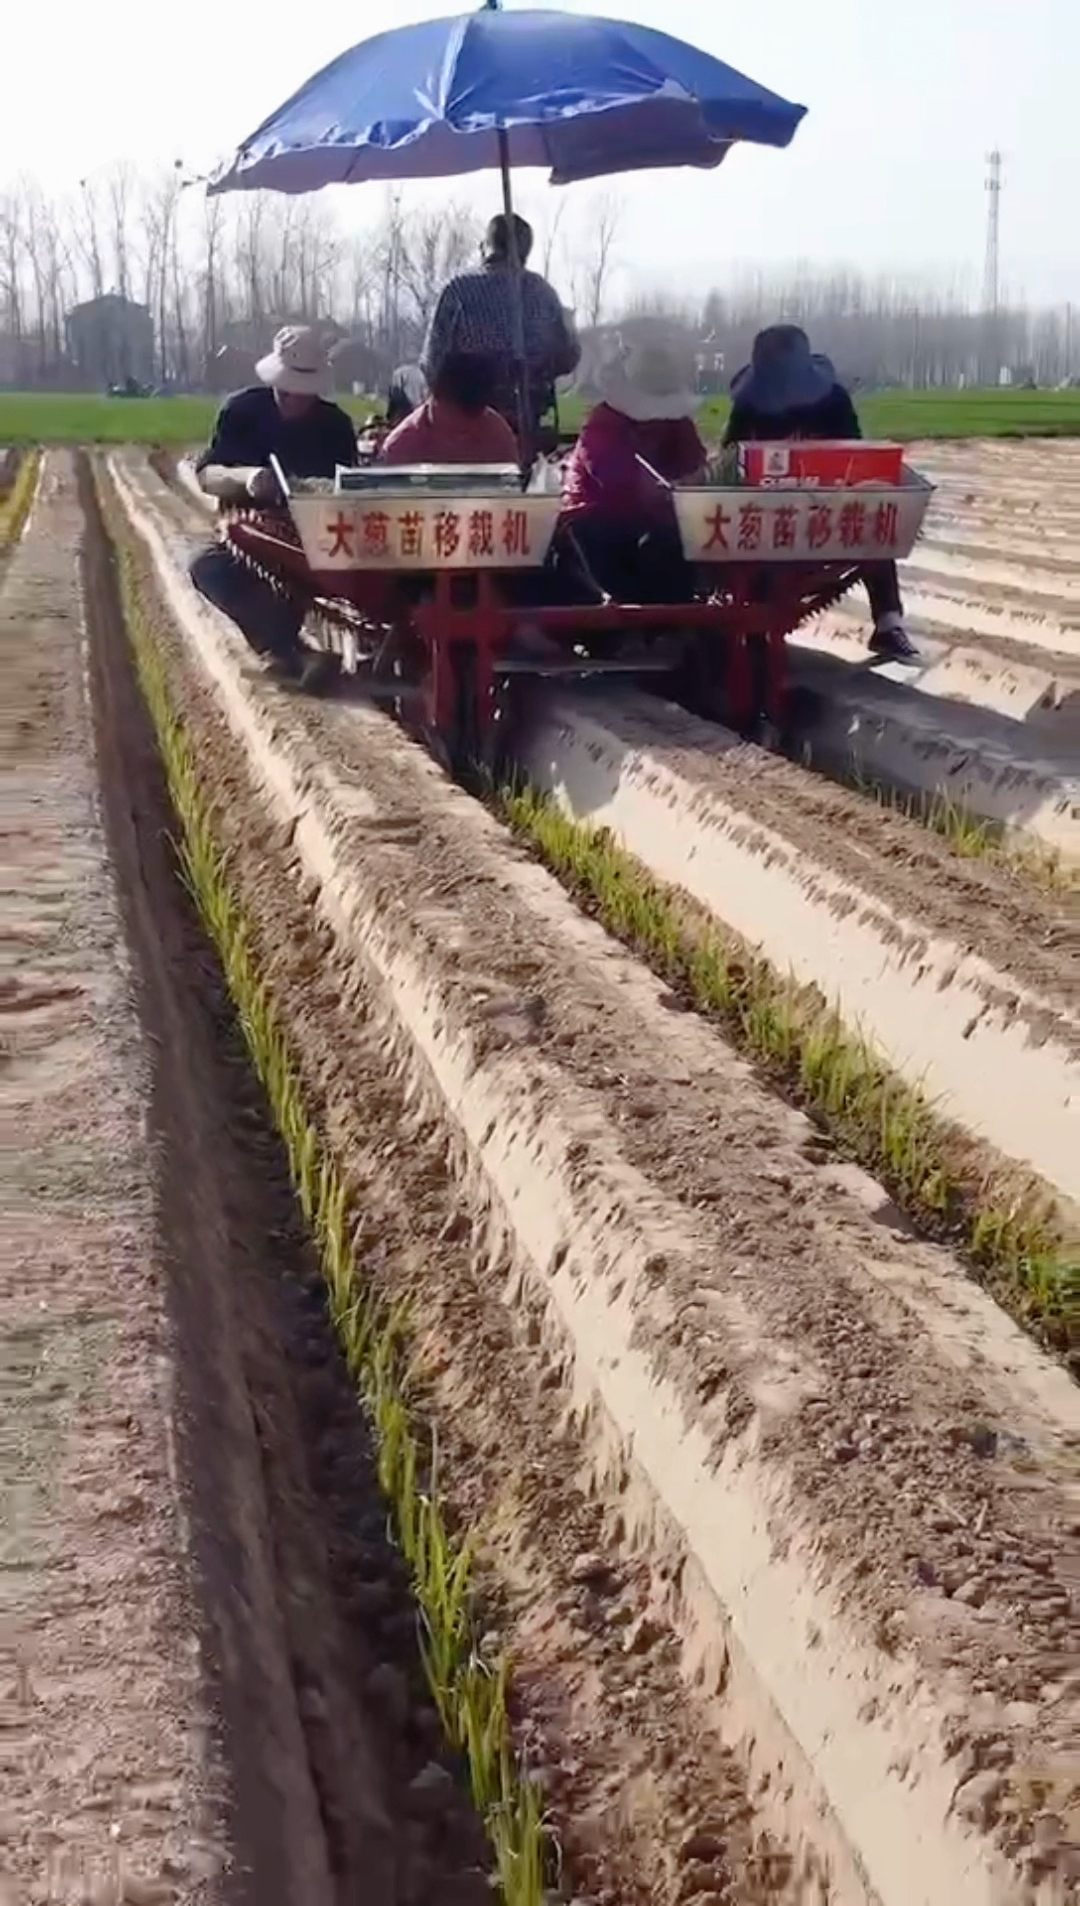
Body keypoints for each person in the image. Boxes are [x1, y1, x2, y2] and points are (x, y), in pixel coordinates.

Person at [724, 324, 916, 659]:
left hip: (829, 506)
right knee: (750, 550)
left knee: (874, 519)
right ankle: (756, 627)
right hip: (772, 511)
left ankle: (888, 624)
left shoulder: (833, 400)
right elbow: (730, 455)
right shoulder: (750, 405)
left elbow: (857, 453)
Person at [190, 325, 357, 689]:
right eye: (288, 389)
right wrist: (249, 479)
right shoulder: (242, 412)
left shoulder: (336, 427)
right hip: (253, 535)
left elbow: (351, 488)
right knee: (208, 568)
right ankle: (287, 649)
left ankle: (290, 652)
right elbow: (207, 474)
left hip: (314, 538)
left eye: (305, 392)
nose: (297, 398)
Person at [560, 336, 706, 603]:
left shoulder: (678, 424)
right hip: (599, 518)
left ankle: (676, 621)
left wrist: (691, 483)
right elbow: (614, 478)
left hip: (658, 519)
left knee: (678, 542)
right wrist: (662, 493)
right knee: (604, 538)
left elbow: (695, 463)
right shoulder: (603, 423)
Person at [421, 212, 580, 447]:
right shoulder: (543, 293)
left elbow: (432, 364)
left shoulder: (458, 291)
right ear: (526, 251)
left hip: (468, 425)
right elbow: (566, 360)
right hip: (529, 425)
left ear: (486, 246)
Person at [379, 352, 519, 465]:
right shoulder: (400, 448)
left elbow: (511, 490)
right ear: (435, 399)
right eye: (454, 427)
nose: (460, 435)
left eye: (470, 424)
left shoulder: (498, 436)